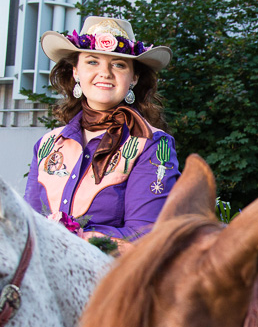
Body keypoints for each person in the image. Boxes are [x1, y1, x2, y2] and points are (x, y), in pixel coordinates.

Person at [24, 16, 180, 245]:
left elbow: (146, 236)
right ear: (76, 72)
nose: (105, 72)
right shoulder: (47, 143)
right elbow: (27, 223)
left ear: (134, 78)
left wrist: (72, 238)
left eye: (118, 64)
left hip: (111, 277)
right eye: (92, 62)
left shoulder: (153, 144)